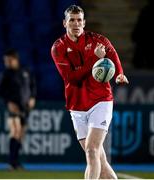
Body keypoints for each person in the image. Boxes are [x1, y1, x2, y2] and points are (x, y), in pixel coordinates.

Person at [51, 5, 129, 179]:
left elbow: (112, 53)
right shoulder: (58, 47)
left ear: (84, 23)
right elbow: (71, 78)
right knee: (98, 158)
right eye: (72, 20)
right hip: (77, 107)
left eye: (79, 20)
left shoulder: (96, 40)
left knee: (92, 151)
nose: (76, 23)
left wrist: (119, 73)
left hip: (100, 101)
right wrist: (95, 58)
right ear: (65, 23)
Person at [0, 49, 36, 170]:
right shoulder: (5, 74)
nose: (7, 63)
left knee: (20, 134)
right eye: (5, 61)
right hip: (13, 106)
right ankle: (11, 162)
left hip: (25, 107)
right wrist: (8, 102)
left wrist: (32, 98)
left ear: (15, 60)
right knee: (15, 131)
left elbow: (32, 85)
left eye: (9, 60)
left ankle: (16, 162)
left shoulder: (25, 71)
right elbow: (0, 91)